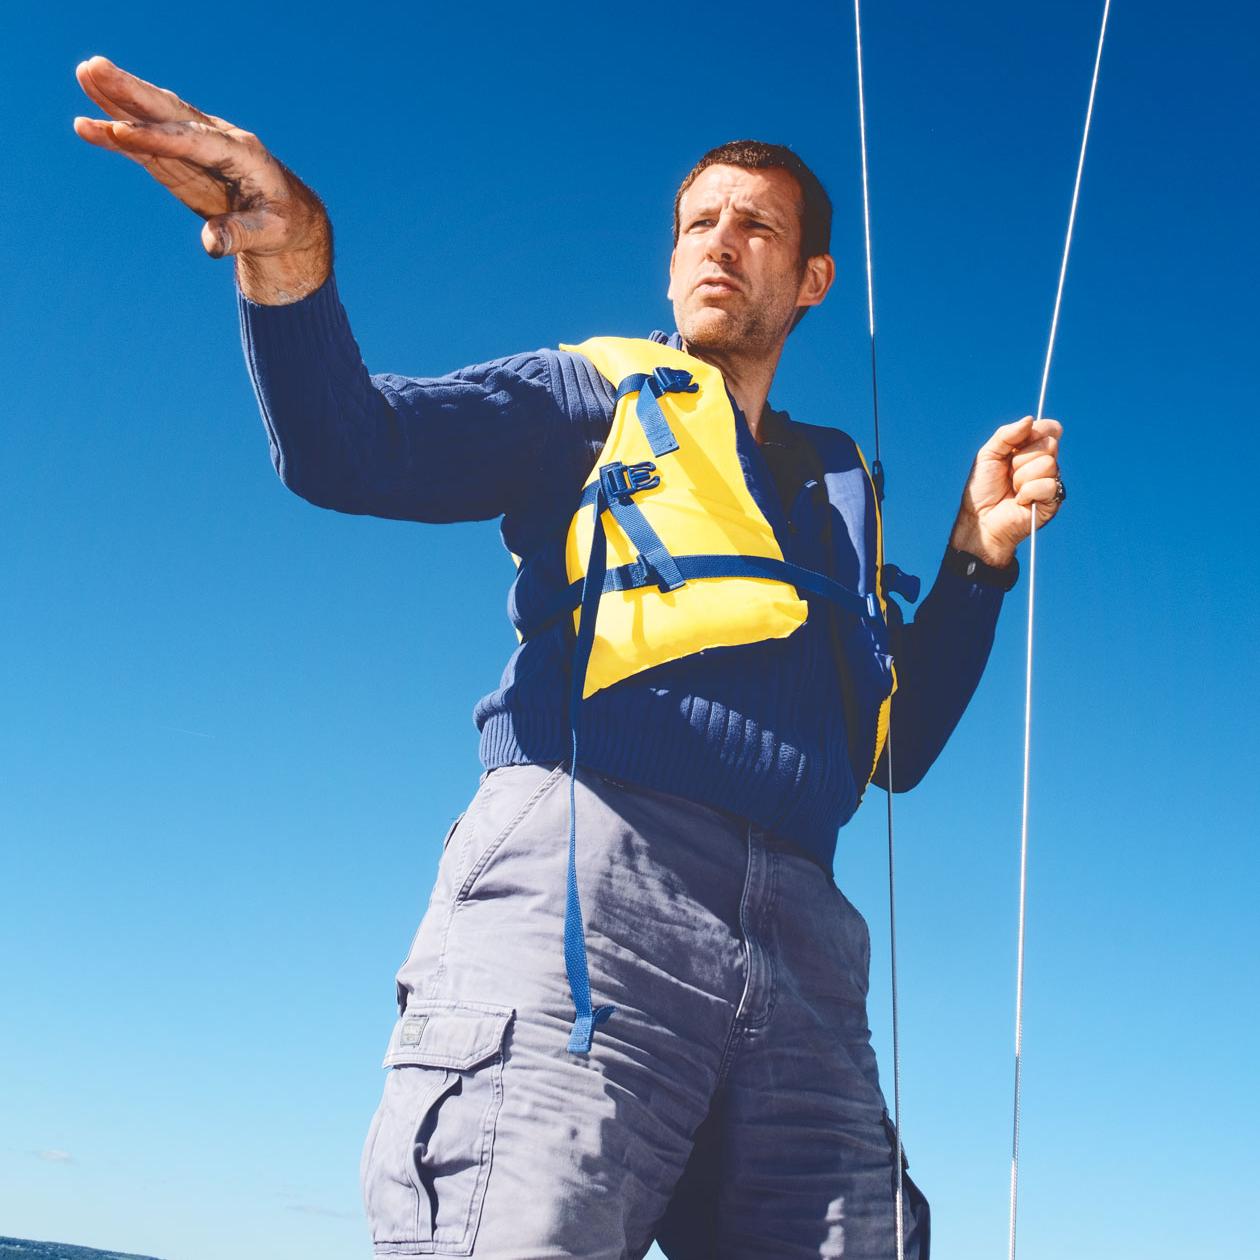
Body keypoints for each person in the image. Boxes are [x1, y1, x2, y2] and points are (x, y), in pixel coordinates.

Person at [74, 54, 1065, 1260]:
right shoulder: (586, 393)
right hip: (592, 867)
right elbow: (352, 449)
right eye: (699, 222)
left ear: (811, 280)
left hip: (808, 939)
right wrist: (291, 256)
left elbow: (894, 748)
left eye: (756, 227)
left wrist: (976, 560)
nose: (718, 242)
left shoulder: (835, 489)